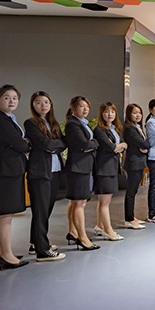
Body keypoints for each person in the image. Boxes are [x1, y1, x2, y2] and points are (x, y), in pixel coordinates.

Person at [0, 84, 31, 269]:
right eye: (6, 97)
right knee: (5, 216)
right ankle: (7, 255)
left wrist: (22, 142)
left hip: (4, 170)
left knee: (1, 215)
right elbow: (20, 145)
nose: (11, 101)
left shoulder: (5, 118)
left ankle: (0, 252)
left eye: (14, 98)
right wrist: (26, 142)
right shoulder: (0, 120)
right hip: (5, 171)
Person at [24, 91, 66, 261]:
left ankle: (35, 243)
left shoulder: (53, 123)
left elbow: (63, 143)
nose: (43, 105)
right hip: (40, 172)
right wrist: (53, 145)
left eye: (46, 102)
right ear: (33, 105)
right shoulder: (30, 123)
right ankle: (43, 250)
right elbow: (43, 144)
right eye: (38, 102)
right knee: (40, 210)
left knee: (46, 209)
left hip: (54, 170)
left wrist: (52, 145)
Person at [64, 96, 101, 251]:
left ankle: (73, 232)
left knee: (76, 202)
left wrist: (91, 145)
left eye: (87, 106)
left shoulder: (81, 123)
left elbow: (88, 145)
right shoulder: (73, 124)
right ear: (73, 108)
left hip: (81, 166)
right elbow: (85, 144)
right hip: (78, 167)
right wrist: (94, 144)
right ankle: (82, 238)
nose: (85, 109)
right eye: (81, 106)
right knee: (79, 203)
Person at [93, 102, 127, 240]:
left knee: (104, 201)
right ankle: (109, 231)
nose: (110, 114)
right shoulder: (99, 130)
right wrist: (119, 146)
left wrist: (117, 146)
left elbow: (118, 147)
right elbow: (110, 147)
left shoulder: (114, 129)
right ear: (101, 114)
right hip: (104, 169)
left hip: (112, 167)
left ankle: (99, 226)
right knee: (105, 202)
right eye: (106, 111)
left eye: (112, 111)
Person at [122, 103, 150, 229]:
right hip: (133, 163)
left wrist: (145, 146)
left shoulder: (137, 127)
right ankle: (129, 219)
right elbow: (144, 143)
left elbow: (145, 143)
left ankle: (132, 217)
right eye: (134, 113)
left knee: (134, 191)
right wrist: (145, 146)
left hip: (138, 162)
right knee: (131, 191)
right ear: (129, 114)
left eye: (139, 112)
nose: (138, 115)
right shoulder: (129, 128)